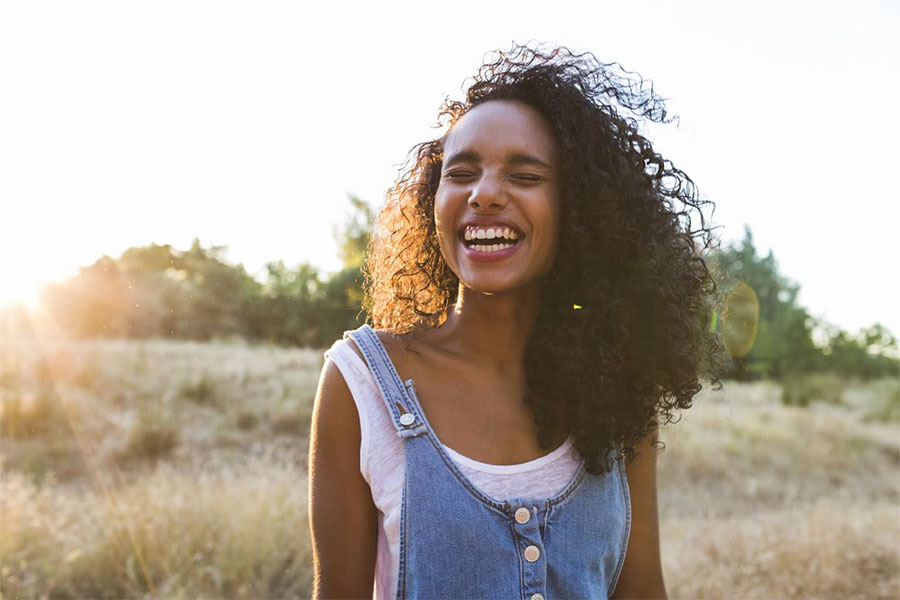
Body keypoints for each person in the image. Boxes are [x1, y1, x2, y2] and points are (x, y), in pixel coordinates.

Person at [308, 44, 719, 599]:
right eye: (462, 174)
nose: (484, 195)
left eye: (525, 175)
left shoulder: (622, 389)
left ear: (580, 208)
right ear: (436, 199)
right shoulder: (362, 383)